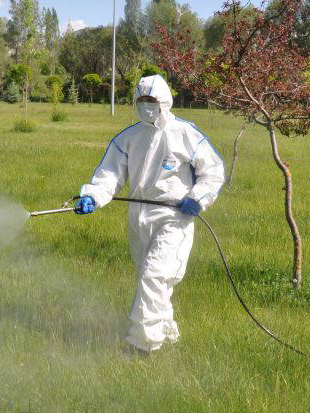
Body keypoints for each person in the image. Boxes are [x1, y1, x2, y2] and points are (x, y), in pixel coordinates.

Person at [76, 75, 225, 353]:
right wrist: (92, 197)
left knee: (154, 276)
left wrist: (198, 198)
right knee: (154, 280)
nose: (147, 106)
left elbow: (213, 172)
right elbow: (109, 175)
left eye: (152, 100)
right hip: (139, 218)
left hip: (174, 218)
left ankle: (141, 346)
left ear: (164, 101)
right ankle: (166, 334)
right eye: (142, 100)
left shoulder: (186, 134)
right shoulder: (128, 138)